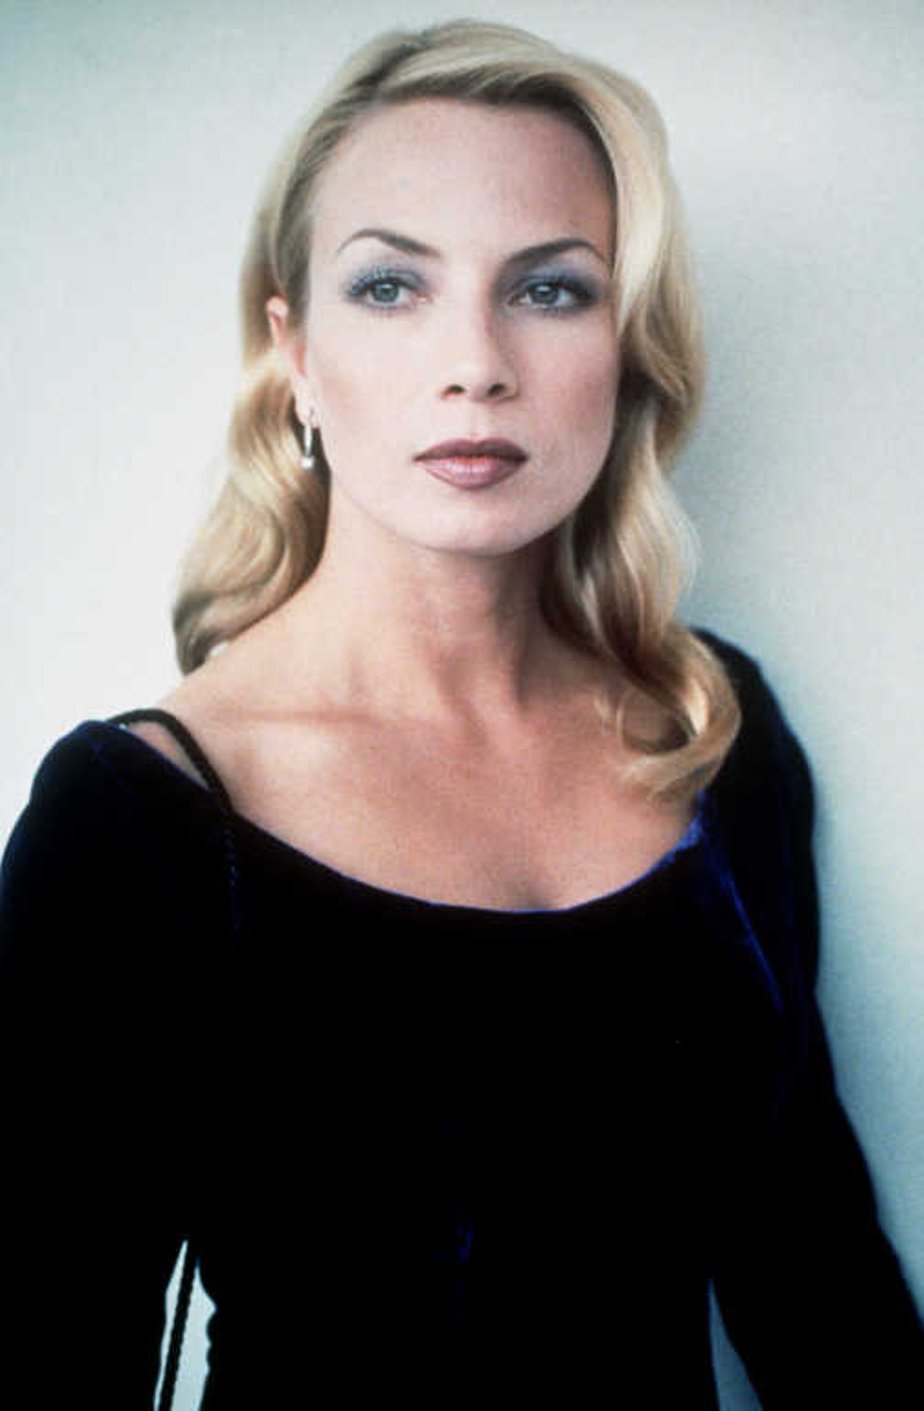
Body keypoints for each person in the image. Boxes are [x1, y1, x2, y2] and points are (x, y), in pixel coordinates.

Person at [1, 18, 920, 1409]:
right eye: (391, 287)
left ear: (628, 345)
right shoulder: (142, 819)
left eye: (550, 290)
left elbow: (817, 1280)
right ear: (295, 355)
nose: (475, 362)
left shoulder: (709, 734)